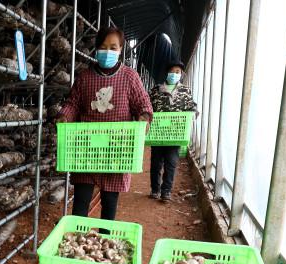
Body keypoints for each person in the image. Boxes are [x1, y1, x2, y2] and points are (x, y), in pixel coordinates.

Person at [57, 26, 153, 220]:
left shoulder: (130, 77)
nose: (107, 51)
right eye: (103, 46)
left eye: (113, 47)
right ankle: (76, 242)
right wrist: (64, 116)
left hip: (116, 148)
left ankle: (105, 240)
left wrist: (144, 117)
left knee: (109, 203)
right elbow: (73, 103)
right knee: (81, 202)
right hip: (86, 148)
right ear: (96, 48)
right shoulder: (84, 78)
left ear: (120, 50)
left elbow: (143, 104)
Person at [148, 60, 197, 201]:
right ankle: (155, 190)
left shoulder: (185, 91)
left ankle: (166, 192)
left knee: (171, 163)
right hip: (157, 133)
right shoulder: (156, 90)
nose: (174, 74)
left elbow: (191, 107)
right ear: (167, 73)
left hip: (175, 133)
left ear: (181, 74)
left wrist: (193, 113)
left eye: (178, 72)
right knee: (156, 163)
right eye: (172, 71)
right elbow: (148, 107)